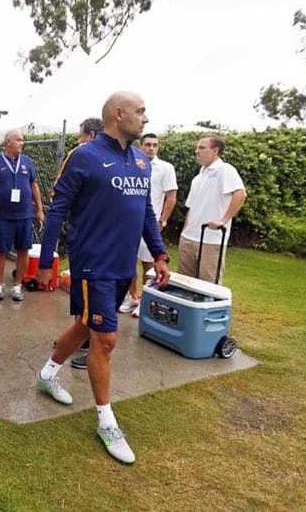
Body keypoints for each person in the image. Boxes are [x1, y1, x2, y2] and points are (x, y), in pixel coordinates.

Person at [33, 91, 170, 464]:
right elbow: (57, 211)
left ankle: (47, 373)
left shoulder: (141, 161)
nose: (145, 118)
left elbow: (146, 213)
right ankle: (107, 422)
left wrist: (159, 254)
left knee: (85, 325)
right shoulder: (84, 156)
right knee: (105, 339)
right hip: (93, 265)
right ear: (118, 113)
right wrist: (46, 261)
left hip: (124, 266)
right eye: (140, 111)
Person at [118, 133, 178, 318]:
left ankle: (145, 300)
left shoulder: (166, 168)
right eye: (148, 145)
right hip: (129, 225)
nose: (151, 148)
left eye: (154, 145)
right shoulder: (131, 164)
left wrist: (162, 220)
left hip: (150, 225)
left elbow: (171, 196)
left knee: (149, 265)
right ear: (140, 146)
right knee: (129, 263)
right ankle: (132, 297)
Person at [178, 134, 247, 283]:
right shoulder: (198, 177)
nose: (197, 151)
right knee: (183, 284)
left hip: (211, 239)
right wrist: (185, 231)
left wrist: (223, 220)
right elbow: (191, 207)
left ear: (215, 150)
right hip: (188, 238)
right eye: (197, 147)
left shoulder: (225, 169)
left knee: (208, 286)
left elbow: (240, 194)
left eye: (202, 148)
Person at [67, 117, 104, 369]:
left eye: (81, 136)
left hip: (96, 242)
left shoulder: (97, 162)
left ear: (90, 136)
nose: (78, 141)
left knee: (95, 299)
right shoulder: (85, 159)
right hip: (83, 239)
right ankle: (79, 338)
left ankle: (93, 348)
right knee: (82, 296)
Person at [0, 129, 44, 302]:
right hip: (3, 217)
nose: (22, 143)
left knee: (23, 250)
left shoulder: (27, 161)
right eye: (19, 140)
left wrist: (39, 209)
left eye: (22, 140)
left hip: (24, 216)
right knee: (0, 251)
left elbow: (34, 185)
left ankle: (17, 286)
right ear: (8, 142)